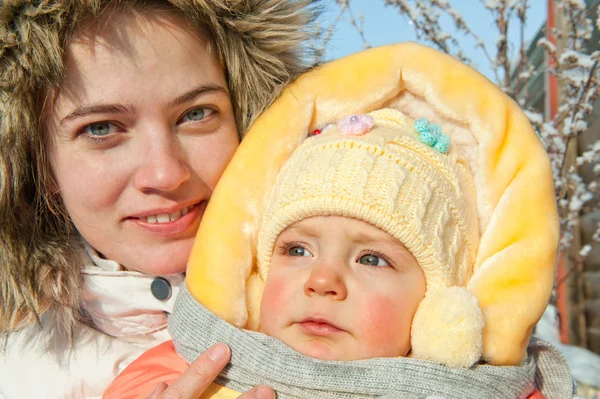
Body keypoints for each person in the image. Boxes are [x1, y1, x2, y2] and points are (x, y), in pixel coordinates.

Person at [104, 42, 576, 397]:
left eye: (372, 258)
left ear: (438, 308)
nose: (323, 280)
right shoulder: (173, 375)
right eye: (296, 250)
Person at [0, 1, 319, 398]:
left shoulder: (358, 299)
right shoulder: (17, 378)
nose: (166, 173)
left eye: (196, 114)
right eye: (101, 128)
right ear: (41, 164)